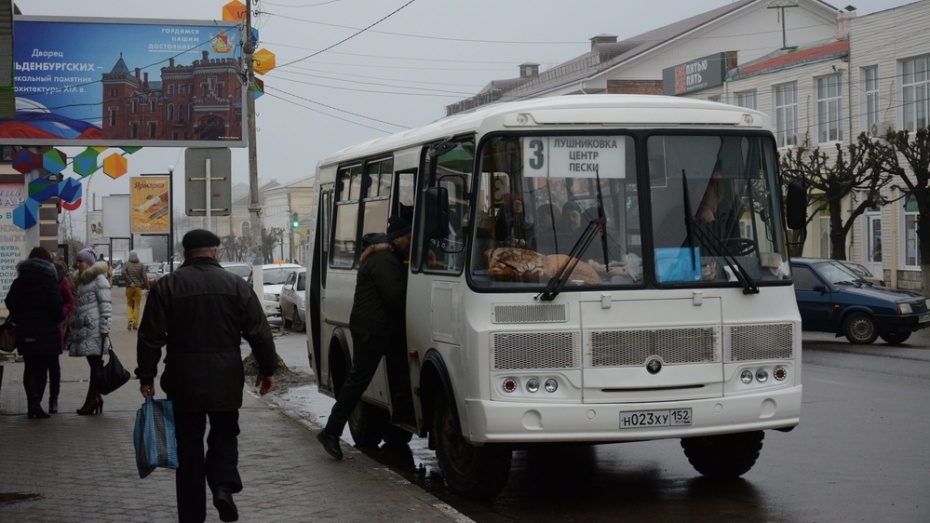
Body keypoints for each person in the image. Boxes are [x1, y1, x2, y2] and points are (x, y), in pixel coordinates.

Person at [135, 229, 277, 523]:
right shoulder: (235, 284)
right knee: (225, 432)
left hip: (183, 378)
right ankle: (223, 487)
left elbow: (150, 336)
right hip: (226, 377)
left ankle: (191, 516)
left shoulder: (168, 286)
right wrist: (267, 370)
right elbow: (259, 332)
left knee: (187, 446)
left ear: (185, 254)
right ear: (215, 252)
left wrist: (147, 376)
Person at [317, 215, 414, 461]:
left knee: (401, 373)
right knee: (358, 381)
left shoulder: (385, 257)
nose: (411, 244)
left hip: (380, 329)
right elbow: (396, 296)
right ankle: (330, 432)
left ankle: (397, 428)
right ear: (399, 238)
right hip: (374, 331)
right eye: (410, 239)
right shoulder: (385, 260)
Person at [4, 247, 64, 419]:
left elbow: (10, 302)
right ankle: (38, 404)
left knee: (29, 367)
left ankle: (33, 404)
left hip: (26, 330)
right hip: (46, 332)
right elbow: (57, 308)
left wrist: (21, 315)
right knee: (43, 368)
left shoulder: (20, 281)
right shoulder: (49, 280)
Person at [67, 247, 112, 415]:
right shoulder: (83, 281)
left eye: (81, 261)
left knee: (95, 366)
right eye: (77, 261)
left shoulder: (99, 280)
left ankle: (92, 400)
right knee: (94, 365)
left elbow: (106, 306)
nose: (78, 264)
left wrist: (105, 328)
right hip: (85, 329)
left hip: (95, 329)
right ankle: (96, 398)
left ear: (89, 262)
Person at [51, 259, 76, 413]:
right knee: (36, 368)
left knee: (52, 365)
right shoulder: (30, 279)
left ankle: (52, 399)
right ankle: (35, 401)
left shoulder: (61, 280)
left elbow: (69, 300)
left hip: (53, 327)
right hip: (38, 328)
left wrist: (61, 314)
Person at [122, 250, 148, 330]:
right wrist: (148, 287)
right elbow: (144, 277)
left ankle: (130, 320)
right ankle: (135, 324)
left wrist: (130, 282)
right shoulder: (141, 265)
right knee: (137, 305)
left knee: (129, 304)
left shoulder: (126, 264)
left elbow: (123, 272)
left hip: (129, 287)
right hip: (138, 287)